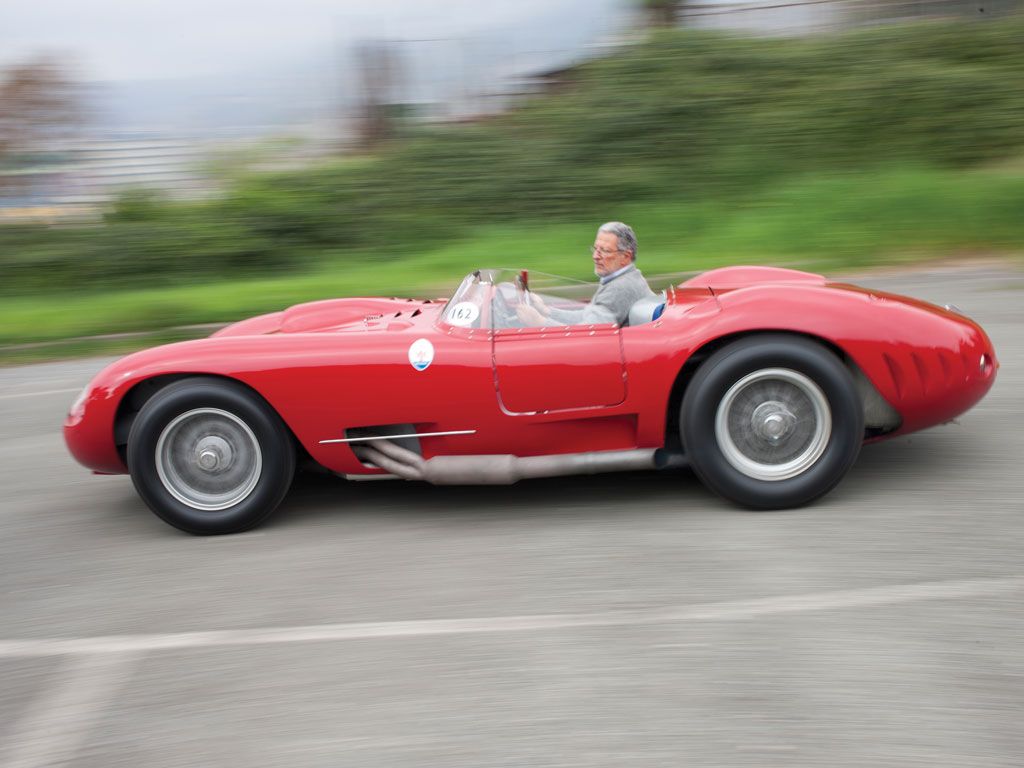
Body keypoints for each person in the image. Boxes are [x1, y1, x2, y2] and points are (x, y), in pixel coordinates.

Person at [516, 221, 655, 327]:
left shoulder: (621, 288)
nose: (595, 256)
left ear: (625, 257)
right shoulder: (624, 278)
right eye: (595, 249)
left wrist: (538, 322)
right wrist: (546, 311)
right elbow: (588, 316)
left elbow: (588, 333)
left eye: (605, 251)